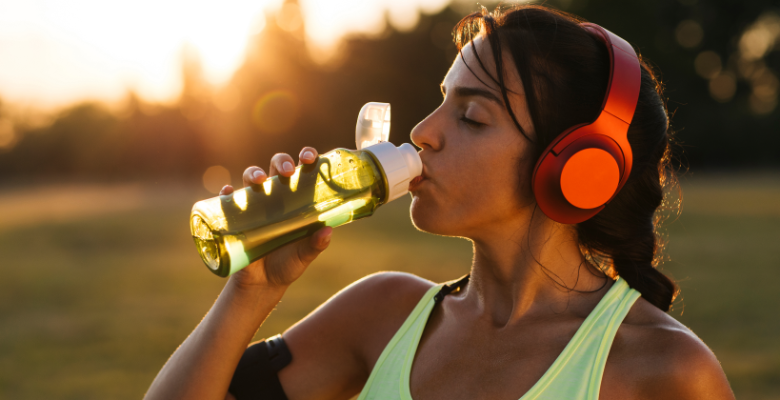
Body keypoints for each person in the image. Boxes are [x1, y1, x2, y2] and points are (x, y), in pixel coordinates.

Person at [146, 5, 735, 400]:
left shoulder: (663, 370)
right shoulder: (383, 312)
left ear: (577, 168)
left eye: (471, 116)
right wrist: (250, 293)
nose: (423, 132)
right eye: (440, 102)